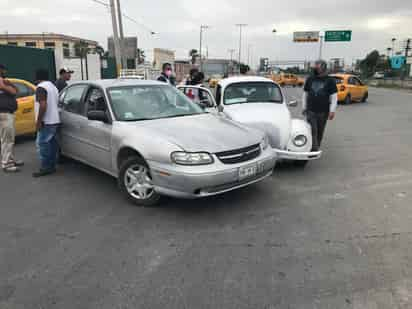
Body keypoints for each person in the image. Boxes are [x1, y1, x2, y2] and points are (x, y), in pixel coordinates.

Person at [302, 60, 338, 151]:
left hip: (323, 111)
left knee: (320, 131)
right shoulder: (310, 79)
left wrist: (332, 111)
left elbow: (334, 97)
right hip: (311, 110)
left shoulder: (330, 81)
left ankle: (316, 145)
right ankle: (313, 148)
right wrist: (304, 107)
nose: (316, 68)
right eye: (316, 67)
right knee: (312, 130)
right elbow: (305, 94)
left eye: (318, 67)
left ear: (323, 68)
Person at [33, 69, 61, 177]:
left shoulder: (41, 88)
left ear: (37, 78)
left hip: (46, 121)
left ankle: (46, 167)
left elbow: (43, 105)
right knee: (52, 144)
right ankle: (52, 166)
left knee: (43, 144)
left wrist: (39, 121)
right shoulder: (53, 87)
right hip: (55, 120)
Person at [0, 64, 23, 173]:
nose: (5, 72)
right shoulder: (2, 82)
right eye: (3, 70)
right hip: (4, 114)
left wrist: (9, 84)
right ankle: (6, 164)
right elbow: (13, 91)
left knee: (9, 139)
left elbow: (16, 91)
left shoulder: (4, 81)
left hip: (8, 114)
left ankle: (11, 160)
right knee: (7, 140)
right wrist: (6, 85)